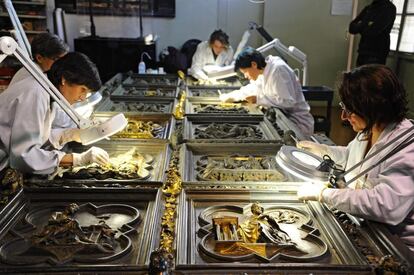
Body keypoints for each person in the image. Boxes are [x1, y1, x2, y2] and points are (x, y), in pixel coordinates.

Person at [296, 65, 414, 252]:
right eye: (344, 107)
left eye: (350, 110)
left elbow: (387, 206)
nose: (343, 116)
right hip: (366, 224)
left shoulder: (406, 146)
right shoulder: (369, 129)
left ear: (372, 107)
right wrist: (322, 150)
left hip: (395, 245)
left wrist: (324, 194)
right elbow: (355, 157)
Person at [0, 52, 110, 176]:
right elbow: (24, 156)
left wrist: (70, 134)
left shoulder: (46, 90)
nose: (83, 98)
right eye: (82, 90)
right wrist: (77, 159)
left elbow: (36, 137)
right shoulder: (35, 93)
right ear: (64, 79)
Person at [220, 47, 314, 137]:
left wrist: (258, 99)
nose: (245, 76)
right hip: (281, 118)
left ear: (254, 64)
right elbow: (252, 88)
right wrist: (231, 96)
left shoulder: (278, 70)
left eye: (245, 72)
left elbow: (288, 102)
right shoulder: (262, 72)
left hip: (296, 123)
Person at [349, 0, 396, 66]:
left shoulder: (389, 8)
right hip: (363, 51)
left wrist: (361, 25)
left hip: (377, 53)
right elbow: (352, 28)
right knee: (360, 75)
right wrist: (367, 24)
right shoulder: (369, 8)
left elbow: (373, 31)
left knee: (371, 76)